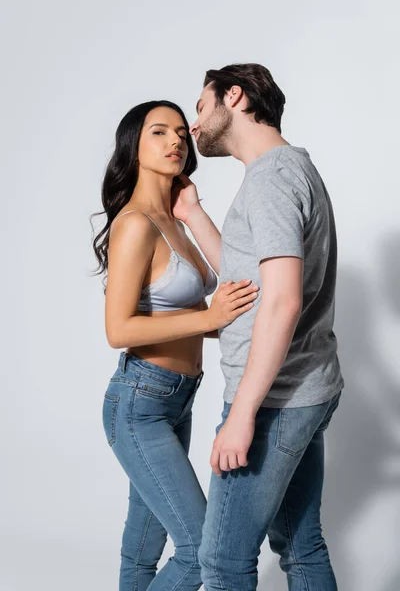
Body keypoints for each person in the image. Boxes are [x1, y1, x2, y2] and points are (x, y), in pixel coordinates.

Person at [172, 63, 344, 591]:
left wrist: (242, 414)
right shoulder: (287, 170)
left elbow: (283, 301)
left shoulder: (271, 179)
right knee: (300, 543)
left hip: (273, 401)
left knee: (222, 562)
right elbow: (252, 282)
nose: (193, 127)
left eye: (200, 108)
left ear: (235, 96)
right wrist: (194, 214)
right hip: (305, 389)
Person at [91, 99, 258, 591]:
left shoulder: (175, 221)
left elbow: (173, 315)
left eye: (182, 133)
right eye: (159, 133)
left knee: (143, 548)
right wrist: (210, 316)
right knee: (201, 550)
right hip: (140, 400)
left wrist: (216, 322)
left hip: (176, 400)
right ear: (134, 147)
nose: (176, 142)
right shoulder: (135, 223)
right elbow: (118, 330)